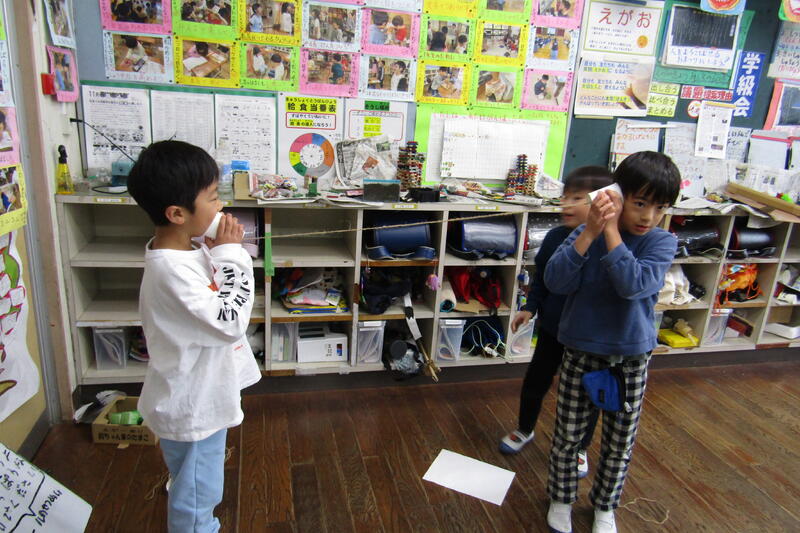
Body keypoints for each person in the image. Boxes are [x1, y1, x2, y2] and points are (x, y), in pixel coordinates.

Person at [126, 140, 261, 533]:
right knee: (199, 493)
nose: (221, 206)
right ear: (177, 213)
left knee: (190, 478)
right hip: (195, 406)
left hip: (190, 395)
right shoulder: (172, 270)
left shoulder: (182, 250)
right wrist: (232, 254)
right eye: (214, 197)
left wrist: (217, 250)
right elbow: (229, 319)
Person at [543, 151, 680, 533]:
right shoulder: (584, 233)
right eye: (640, 203)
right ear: (618, 195)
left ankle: (605, 506)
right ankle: (561, 498)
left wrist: (610, 232)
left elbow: (633, 285)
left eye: (659, 207)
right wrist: (589, 232)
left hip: (630, 357)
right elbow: (555, 281)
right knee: (569, 437)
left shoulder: (661, 242)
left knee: (620, 443)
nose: (648, 216)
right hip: (581, 350)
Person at [499, 168, 613, 476]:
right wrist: (530, 307)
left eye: (577, 198)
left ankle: (580, 447)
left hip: (589, 338)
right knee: (536, 380)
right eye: (565, 197)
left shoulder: (610, 242)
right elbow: (542, 278)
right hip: (553, 329)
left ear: (603, 202)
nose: (567, 204)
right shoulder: (555, 237)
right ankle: (525, 429)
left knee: (587, 395)